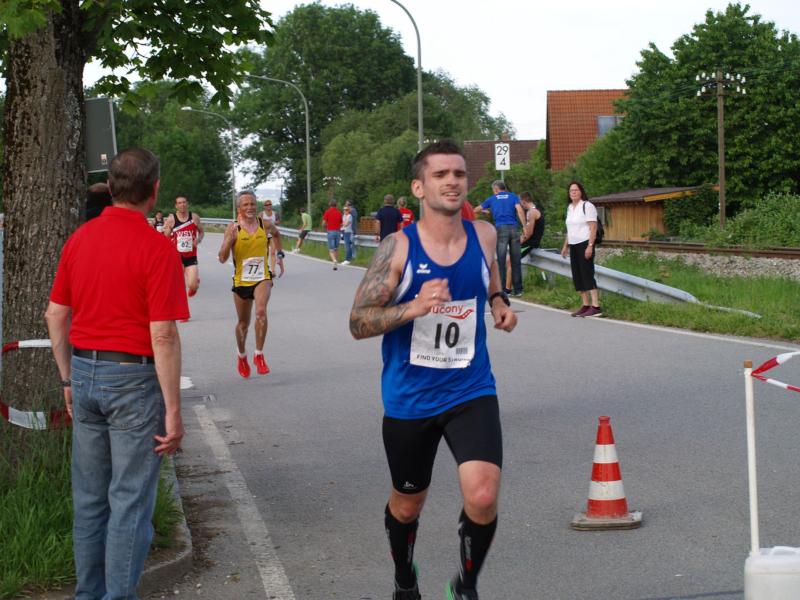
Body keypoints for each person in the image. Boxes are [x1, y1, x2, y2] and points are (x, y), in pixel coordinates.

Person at [349, 139, 517, 600]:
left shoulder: (484, 235)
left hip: (471, 388)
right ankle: (405, 577)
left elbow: (490, 273)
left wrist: (498, 300)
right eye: (440, 175)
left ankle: (465, 586)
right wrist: (414, 308)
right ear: (419, 188)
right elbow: (358, 322)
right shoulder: (397, 248)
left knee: (483, 495)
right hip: (410, 398)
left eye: (459, 174)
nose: (452, 182)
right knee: (408, 505)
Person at [45, 147, 188, 600]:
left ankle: (88, 595)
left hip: (84, 372)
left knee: (90, 501)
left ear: (110, 187)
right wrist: (173, 410)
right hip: (133, 380)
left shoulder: (80, 239)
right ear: (155, 190)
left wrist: (67, 379)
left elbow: (55, 315)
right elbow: (162, 334)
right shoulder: (158, 248)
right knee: (129, 501)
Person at [218, 191, 285, 378]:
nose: (249, 207)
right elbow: (222, 258)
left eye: (252, 204)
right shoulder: (233, 228)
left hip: (263, 277)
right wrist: (229, 241)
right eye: (245, 204)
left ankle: (259, 355)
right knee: (243, 323)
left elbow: (277, 234)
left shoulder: (266, 224)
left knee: (261, 312)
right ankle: (242, 356)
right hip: (241, 281)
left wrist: (279, 255)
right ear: (239, 208)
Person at [474, 180, 525, 297]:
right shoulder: (513, 196)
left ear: (496, 189)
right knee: (516, 261)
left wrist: (484, 211)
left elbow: (476, 209)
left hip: (501, 230)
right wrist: (524, 226)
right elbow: (520, 210)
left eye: (493, 190)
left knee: (501, 261)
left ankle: (502, 289)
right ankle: (518, 290)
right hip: (514, 229)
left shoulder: (492, 199)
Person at [560, 181, 602, 317]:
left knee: (587, 274)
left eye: (576, 190)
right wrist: (565, 245)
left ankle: (596, 306)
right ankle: (585, 305)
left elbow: (593, 228)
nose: (573, 192)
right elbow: (570, 229)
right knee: (577, 275)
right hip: (573, 244)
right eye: (571, 190)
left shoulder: (587, 206)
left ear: (581, 192)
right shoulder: (570, 207)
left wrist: (590, 246)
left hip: (585, 243)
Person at [163, 195, 204, 298]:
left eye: (184, 202)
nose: (182, 205)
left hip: (191, 256)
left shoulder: (194, 217)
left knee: (193, 285)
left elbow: (201, 232)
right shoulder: (171, 219)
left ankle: (195, 282)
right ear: (176, 205)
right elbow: (165, 238)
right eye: (179, 203)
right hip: (177, 256)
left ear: (187, 204)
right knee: (177, 283)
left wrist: (198, 240)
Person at [519, 191, 545, 258]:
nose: (520, 204)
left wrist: (519, 242)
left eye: (520, 202)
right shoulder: (535, 210)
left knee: (510, 260)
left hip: (530, 243)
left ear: (523, 201)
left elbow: (529, 233)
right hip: (530, 242)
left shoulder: (531, 212)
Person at [259, 200, 280, 276]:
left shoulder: (275, 213)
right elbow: (258, 223)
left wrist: (272, 223)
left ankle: (273, 271)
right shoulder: (261, 214)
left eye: (269, 204)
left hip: (273, 235)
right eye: (266, 205)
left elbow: (278, 222)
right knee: (265, 252)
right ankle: (265, 269)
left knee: (273, 252)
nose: (268, 206)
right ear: (264, 206)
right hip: (264, 235)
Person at [322, 199, 343, 270]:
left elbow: (323, 223)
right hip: (338, 232)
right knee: (336, 248)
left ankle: (334, 260)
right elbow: (341, 223)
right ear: (336, 205)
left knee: (331, 249)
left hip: (330, 231)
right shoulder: (339, 213)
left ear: (329, 205)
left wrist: (326, 227)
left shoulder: (327, 212)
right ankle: (335, 265)